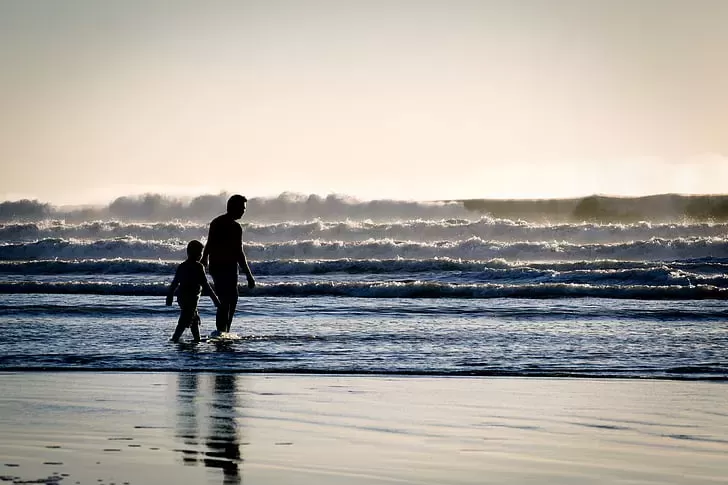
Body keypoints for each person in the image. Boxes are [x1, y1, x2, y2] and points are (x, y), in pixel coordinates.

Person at [201, 194, 256, 335]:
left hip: (222, 266)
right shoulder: (234, 227)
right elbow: (239, 252)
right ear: (234, 207)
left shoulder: (217, 222)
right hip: (223, 266)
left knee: (230, 298)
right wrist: (249, 275)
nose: (244, 211)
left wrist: (205, 258)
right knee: (227, 299)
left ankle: (224, 330)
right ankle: (222, 331)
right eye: (242, 208)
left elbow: (209, 243)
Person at [166, 240, 220, 342]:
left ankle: (197, 339)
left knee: (193, 319)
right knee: (185, 320)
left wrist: (169, 296)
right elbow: (206, 285)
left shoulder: (182, 266)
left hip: (182, 297)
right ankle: (175, 339)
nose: (200, 255)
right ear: (192, 253)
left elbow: (174, 283)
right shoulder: (198, 267)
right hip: (190, 298)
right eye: (199, 253)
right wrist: (215, 300)